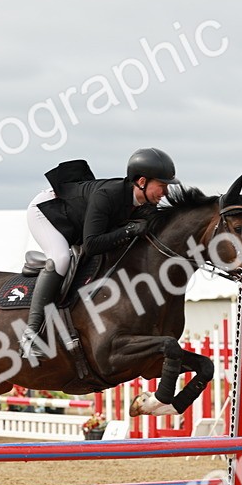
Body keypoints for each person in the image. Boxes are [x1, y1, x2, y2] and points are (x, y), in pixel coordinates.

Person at [20, 147, 177, 357]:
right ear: (141, 181)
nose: (165, 193)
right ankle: (30, 335)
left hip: (75, 219)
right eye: (162, 186)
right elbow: (92, 244)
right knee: (61, 258)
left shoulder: (145, 205)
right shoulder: (108, 195)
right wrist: (129, 230)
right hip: (47, 212)